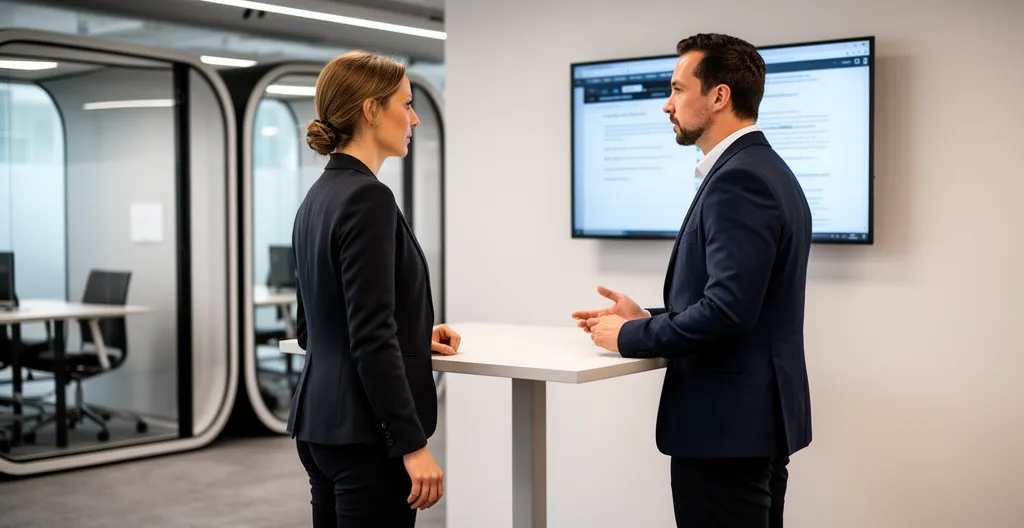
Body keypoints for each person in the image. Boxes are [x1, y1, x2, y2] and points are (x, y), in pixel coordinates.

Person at [573, 33, 812, 527]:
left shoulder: (739, 180)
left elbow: (727, 312)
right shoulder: (765, 169)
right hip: (753, 424)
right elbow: (744, 301)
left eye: (678, 89)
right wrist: (648, 316)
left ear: (719, 96)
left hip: (727, 431)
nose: (667, 104)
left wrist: (630, 336)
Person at [287, 50, 462, 528]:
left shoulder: (317, 197)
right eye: (405, 104)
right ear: (370, 109)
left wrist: (411, 337)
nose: (415, 118)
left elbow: (314, 328)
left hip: (320, 429)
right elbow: (368, 336)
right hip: (366, 437)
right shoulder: (369, 197)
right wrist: (412, 445)